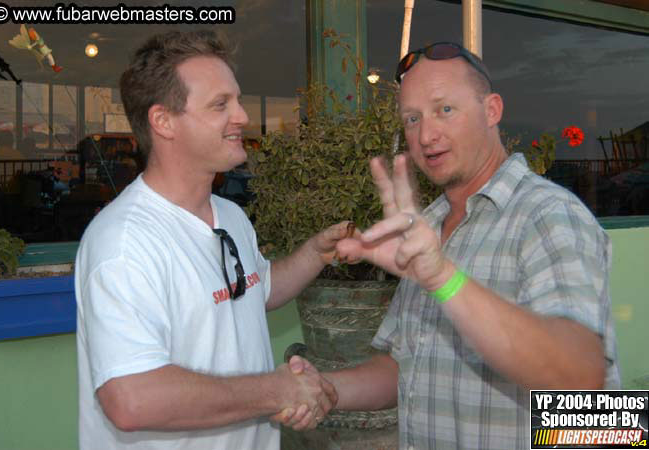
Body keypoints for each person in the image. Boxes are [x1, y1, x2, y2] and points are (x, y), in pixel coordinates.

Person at [279, 42, 620, 449]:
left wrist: (443, 278)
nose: (426, 134)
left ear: (492, 110)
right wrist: (327, 389)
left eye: (445, 109)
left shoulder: (548, 215)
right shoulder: (432, 226)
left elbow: (581, 378)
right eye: (412, 118)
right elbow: (405, 365)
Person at [75, 30, 350, 450]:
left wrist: (316, 253)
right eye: (221, 104)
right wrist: (276, 390)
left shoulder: (230, 216)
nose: (241, 116)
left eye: (237, 100)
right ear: (163, 121)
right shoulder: (125, 243)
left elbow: (255, 291)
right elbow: (131, 400)